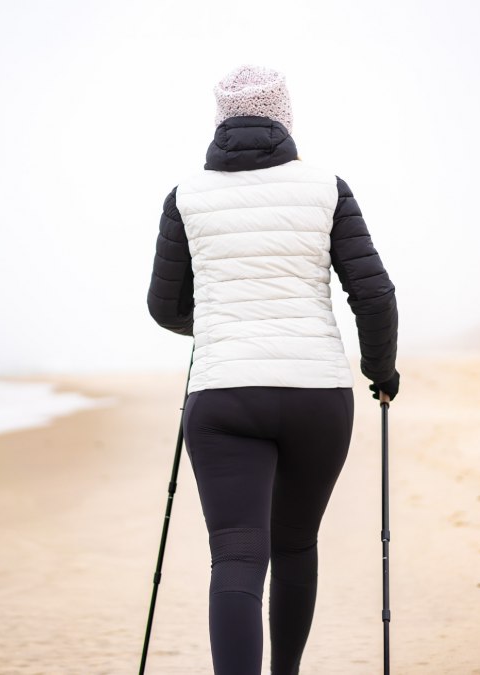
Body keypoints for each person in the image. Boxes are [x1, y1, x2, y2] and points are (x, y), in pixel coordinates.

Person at [146, 64, 399, 675]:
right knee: (294, 545)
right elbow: (374, 294)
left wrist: (214, 328)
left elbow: (164, 307)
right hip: (317, 395)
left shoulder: (185, 197)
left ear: (221, 122)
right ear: (284, 117)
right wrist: (380, 370)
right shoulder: (326, 187)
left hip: (224, 395)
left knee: (235, 557)